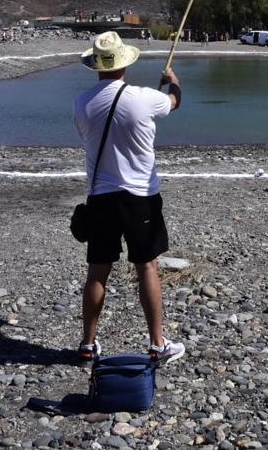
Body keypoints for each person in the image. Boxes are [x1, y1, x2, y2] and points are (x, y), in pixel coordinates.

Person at [72, 31, 186, 365]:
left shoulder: (81, 102)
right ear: (124, 62)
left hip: (101, 198)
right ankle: (157, 343)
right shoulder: (144, 97)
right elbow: (174, 103)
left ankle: (88, 344)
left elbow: (88, 133)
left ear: (96, 65)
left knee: (97, 272)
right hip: (140, 198)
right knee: (147, 266)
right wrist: (173, 81)